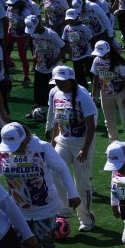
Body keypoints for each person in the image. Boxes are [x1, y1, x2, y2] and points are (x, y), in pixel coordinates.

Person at [0, 122, 78, 248]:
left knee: (45, 245)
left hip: (45, 209)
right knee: (18, 243)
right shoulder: (3, 149)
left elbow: (62, 169)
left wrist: (72, 194)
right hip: (18, 209)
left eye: (18, 144)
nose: (14, 149)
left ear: (25, 138)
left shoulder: (42, 148)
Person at [45, 65, 98, 231]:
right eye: (57, 81)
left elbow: (90, 125)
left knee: (81, 182)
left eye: (62, 81)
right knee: (54, 172)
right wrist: (53, 142)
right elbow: (56, 119)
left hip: (82, 143)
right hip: (62, 140)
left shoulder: (83, 97)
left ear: (71, 80)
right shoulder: (54, 93)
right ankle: (64, 209)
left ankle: (86, 219)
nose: (59, 84)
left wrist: (85, 148)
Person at [90, 40, 125, 146]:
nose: (99, 56)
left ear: (108, 52)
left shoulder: (117, 63)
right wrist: (94, 95)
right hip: (105, 93)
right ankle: (114, 144)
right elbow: (96, 77)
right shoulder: (96, 60)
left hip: (121, 92)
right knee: (109, 121)